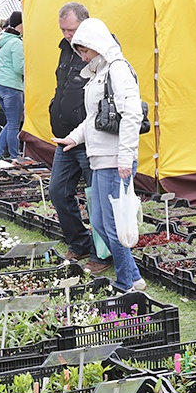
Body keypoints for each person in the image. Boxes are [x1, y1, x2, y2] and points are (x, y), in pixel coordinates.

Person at [52, 18, 145, 292]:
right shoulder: (98, 72)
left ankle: (126, 283)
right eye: (79, 50)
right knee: (103, 225)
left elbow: (132, 114)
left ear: (96, 44)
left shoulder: (117, 69)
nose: (81, 55)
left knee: (113, 226)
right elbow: (94, 117)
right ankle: (133, 277)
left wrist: (125, 158)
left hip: (115, 159)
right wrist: (74, 137)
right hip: (101, 157)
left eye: (84, 49)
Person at [48, 3, 108, 271]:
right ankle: (80, 242)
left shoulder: (102, 52)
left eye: (70, 29)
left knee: (96, 198)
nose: (66, 35)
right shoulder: (65, 49)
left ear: (85, 24)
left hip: (91, 138)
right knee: (58, 191)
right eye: (62, 30)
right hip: (66, 137)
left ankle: (101, 254)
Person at [0, 11, 24, 162]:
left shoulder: (3, 39)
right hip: (12, 87)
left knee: (10, 122)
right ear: (20, 25)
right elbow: (19, 68)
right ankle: (15, 157)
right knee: (14, 124)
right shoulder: (16, 43)